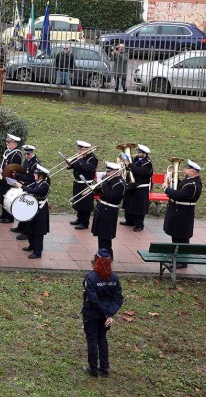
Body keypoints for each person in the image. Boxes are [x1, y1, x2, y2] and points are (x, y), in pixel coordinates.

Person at [81, 249, 123, 378]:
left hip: (92, 314)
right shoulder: (114, 278)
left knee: (92, 339)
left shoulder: (91, 277)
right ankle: (104, 368)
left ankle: (93, 368)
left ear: (95, 260)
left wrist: (106, 313)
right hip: (106, 316)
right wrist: (109, 314)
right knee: (102, 338)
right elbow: (118, 299)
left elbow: (93, 299)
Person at [164, 159, 203, 267]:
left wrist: (166, 189)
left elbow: (179, 195)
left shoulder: (193, 185)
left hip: (183, 214)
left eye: (187, 168)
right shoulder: (189, 181)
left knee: (181, 238)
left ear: (193, 171)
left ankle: (182, 261)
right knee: (176, 236)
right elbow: (180, 186)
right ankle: (177, 258)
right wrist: (173, 178)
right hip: (178, 212)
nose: (184, 170)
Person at [18, 165, 52, 258]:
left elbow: (34, 191)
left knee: (38, 230)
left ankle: (37, 252)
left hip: (41, 209)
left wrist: (22, 186)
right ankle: (32, 245)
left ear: (40, 176)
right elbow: (30, 188)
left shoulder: (44, 185)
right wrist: (24, 188)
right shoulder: (37, 182)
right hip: (34, 207)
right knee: (30, 227)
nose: (34, 175)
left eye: (36, 174)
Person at [92, 162, 126, 253]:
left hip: (109, 211)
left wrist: (104, 185)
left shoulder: (119, 184)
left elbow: (110, 197)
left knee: (105, 236)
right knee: (101, 235)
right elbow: (103, 194)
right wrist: (97, 189)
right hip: (102, 208)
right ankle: (101, 255)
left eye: (109, 171)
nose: (106, 173)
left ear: (115, 172)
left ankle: (107, 256)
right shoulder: (110, 180)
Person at [123, 145, 154, 232]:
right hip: (133, 185)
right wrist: (125, 165)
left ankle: (139, 225)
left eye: (140, 153)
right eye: (138, 152)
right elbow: (131, 169)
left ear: (145, 154)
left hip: (141, 187)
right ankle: (129, 221)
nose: (138, 154)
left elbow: (140, 171)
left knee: (139, 208)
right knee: (129, 204)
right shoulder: (136, 159)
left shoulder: (148, 163)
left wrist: (129, 165)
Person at [69, 141, 99, 230]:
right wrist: (69, 164)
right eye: (79, 149)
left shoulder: (93, 159)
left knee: (85, 204)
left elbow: (88, 169)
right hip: (78, 183)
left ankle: (85, 222)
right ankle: (79, 219)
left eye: (82, 149)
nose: (80, 151)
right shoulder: (80, 157)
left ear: (87, 149)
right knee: (79, 202)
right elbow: (75, 166)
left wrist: (80, 160)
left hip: (86, 184)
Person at [0, 134, 23, 224]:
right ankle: (4, 213)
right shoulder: (8, 151)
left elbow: (15, 168)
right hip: (4, 176)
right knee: (3, 194)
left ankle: (10, 216)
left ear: (14, 143)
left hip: (10, 178)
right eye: (7, 142)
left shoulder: (16, 154)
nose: (7, 144)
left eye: (9, 142)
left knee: (9, 196)